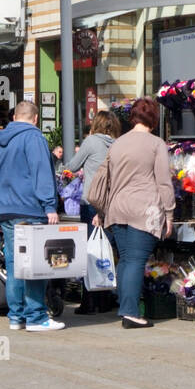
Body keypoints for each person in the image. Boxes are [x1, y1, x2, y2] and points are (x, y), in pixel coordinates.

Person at [84, 96, 174, 329]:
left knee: (125, 260)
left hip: (116, 208)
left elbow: (107, 179)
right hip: (143, 209)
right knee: (135, 260)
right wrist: (170, 213)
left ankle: (125, 308)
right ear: (153, 119)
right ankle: (130, 312)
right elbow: (164, 182)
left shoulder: (117, 143)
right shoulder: (156, 144)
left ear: (132, 117)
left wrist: (102, 212)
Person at [0, 100, 64, 332]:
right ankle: (36, 317)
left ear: (14, 117)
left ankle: (16, 317)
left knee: (14, 265)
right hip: (29, 209)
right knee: (35, 265)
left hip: (5, 209)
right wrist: (49, 206)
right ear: (35, 118)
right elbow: (41, 171)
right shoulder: (34, 137)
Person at [69, 111, 121, 315]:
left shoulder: (91, 142)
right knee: (106, 250)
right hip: (111, 204)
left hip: (91, 203)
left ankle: (89, 301)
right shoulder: (117, 145)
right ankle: (105, 299)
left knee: (90, 251)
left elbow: (72, 166)